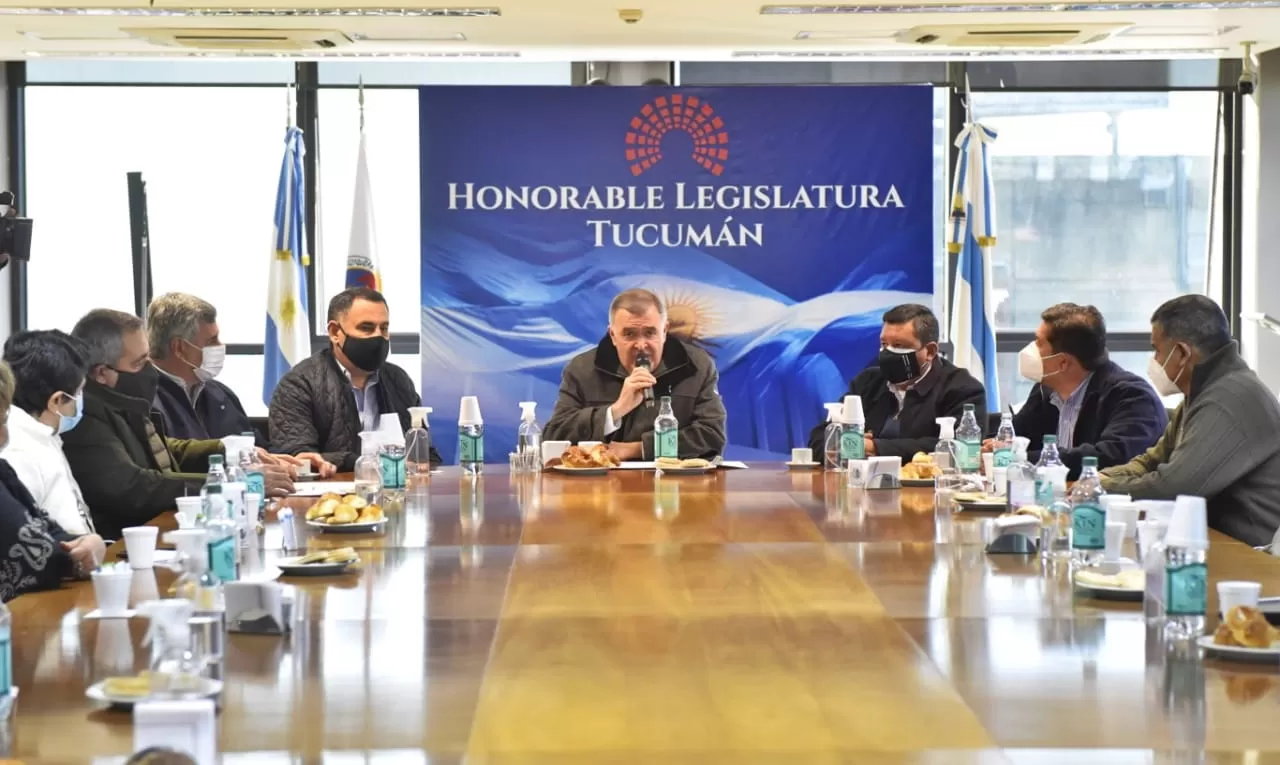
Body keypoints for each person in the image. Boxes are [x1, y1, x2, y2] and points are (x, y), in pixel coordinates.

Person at [62, 309, 297, 541]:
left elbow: (163, 449)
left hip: (162, 529)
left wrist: (230, 451)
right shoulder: (83, 416)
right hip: (128, 545)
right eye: (139, 363)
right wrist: (231, 484)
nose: (149, 370)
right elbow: (132, 487)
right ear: (101, 373)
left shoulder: (121, 400)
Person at [1101, 295, 1280, 547]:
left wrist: (1100, 491)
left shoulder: (1228, 399)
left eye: (1157, 350)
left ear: (1183, 352)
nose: (1154, 361)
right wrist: (1100, 479)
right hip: (1209, 543)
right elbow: (1154, 460)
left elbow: (1173, 488)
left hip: (1252, 558)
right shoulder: (1202, 393)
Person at [983, 303, 1167, 477]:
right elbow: (1016, 435)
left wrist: (1019, 458)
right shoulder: (1046, 390)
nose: (1029, 349)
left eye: (1039, 342)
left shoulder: (1132, 397)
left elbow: (1107, 458)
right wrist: (995, 447)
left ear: (1062, 362)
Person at [270, 287, 441, 471]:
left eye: (384, 328)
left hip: (395, 493)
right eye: (366, 328)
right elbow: (299, 460)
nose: (378, 336)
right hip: (328, 497)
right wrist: (356, 462)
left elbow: (426, 455)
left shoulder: (398, 380)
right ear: (335, 332)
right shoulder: (299, 384)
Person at [544, 288, 726, 459]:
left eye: (649, 333)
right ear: (613, 336)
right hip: (602, 487)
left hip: (675, 485)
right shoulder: (581, 369)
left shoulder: (697, 367)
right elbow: (554, 435)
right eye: (629, 334)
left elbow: (712, 435)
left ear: (664, 331)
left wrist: (639, 448)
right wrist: (614, 412)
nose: (641, 345)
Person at [806, 304, 985, 459]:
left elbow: (959, 448)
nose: (888, 353)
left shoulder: (962, 388)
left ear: (929, 351)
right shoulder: (868, 382)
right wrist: (845, 445)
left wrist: (875, 448)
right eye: (884, 344)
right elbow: (820, 437)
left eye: (899, 346)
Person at [0, 360, 106, 602]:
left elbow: (47, 529)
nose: (6, 429)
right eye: (4, 415)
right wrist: (82, 554)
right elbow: (37, 557)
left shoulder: (3, 470)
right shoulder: (19, 454)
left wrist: (87, 543)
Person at [1, 330, 98, 535]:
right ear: (56, 401)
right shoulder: (18, 455)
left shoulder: (44, 433)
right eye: (78, 392)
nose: (81, 400)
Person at [147, 292, 258, 444]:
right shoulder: (144, 401)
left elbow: (257, 448)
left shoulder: (220, 394)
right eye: (212, 340)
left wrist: (288, 460)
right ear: (179, 348)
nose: (220, 346)